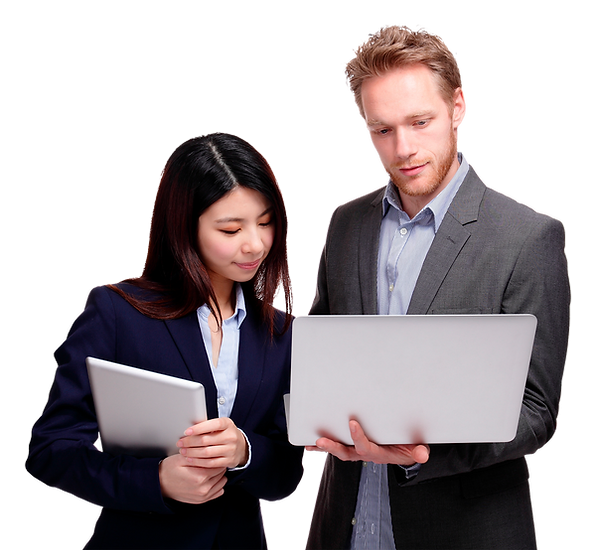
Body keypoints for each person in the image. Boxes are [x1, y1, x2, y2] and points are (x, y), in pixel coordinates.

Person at [305, 24, 571, 550]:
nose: (403, 149)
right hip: (346, 526)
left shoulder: (528, 237)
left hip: (466, 532)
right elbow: (322, 352)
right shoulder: (346, 223)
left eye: (420, 122)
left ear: (458, 107)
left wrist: (426, 451)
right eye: (381, 130)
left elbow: (537, 410)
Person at [26, 132, 304, 549]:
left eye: (265, 223)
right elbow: (50, 451)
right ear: (182, 228)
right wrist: (154, 481)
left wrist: (244, 452)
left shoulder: (280, 332)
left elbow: (285, 473)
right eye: (230, 229)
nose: (255, 244)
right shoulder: (117, 312)